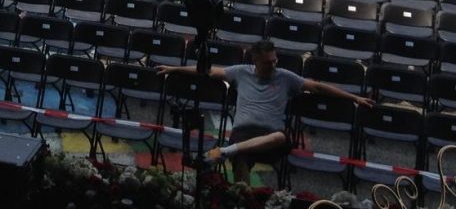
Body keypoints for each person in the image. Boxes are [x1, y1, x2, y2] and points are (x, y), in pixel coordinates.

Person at [159, 39, 372, 182]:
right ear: (255, 60)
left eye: (274, 60)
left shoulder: (286, 77)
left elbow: (317, 87)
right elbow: (206, 71)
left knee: (280, 137)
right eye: (267, 62)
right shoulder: (240, 72)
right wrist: (174, 69)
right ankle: (241, 195)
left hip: (271, 137)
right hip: (243, 133)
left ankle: (223, 151)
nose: (273, 65)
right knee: (241, 160)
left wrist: (354, 98)